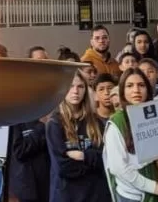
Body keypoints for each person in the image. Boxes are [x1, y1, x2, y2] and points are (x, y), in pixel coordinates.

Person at [104, 69, 158, 202]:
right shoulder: (117, 122)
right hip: (134, 197)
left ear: (148, 89)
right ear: (122, 91)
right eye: (130, 86)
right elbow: (118, 167)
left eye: (141, 85)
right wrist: (153, 187)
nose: (136, 90)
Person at [45, 70, 110, 202]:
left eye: (80, 86)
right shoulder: (55, 123)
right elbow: (63, 168)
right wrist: (92, 160)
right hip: (67, 195)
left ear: (86, 90)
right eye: (70, 86)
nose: (75, 91)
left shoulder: (96, 121)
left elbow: (106, 159)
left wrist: (83, 156)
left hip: (95, 195)